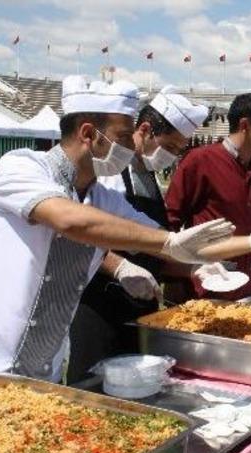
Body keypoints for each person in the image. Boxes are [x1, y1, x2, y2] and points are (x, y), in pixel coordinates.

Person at [0, 76, 246, 389]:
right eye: (122, 136)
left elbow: (154, 236)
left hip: (40, 367)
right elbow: (70, 220)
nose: (127, 145)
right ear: (89, 134)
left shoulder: (99, 194)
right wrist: (160, 246)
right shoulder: (21, 166)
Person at [66, 89, 212, 383]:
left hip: (141, 299)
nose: (172, 156)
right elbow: (84, 235)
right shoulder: (109, 171)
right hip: (101, 301)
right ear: (144, 130)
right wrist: (121, 268)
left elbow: (154, 235)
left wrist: (194, 263)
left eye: (178, 150)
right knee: (95, 382)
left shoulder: (147, 174)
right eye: (170, 146)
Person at [165, 93, 251, 302]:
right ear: (245, 125)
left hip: (249, 292)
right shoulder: (200, 161)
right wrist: (175, 277)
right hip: (204, 291)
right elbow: (170, 222)